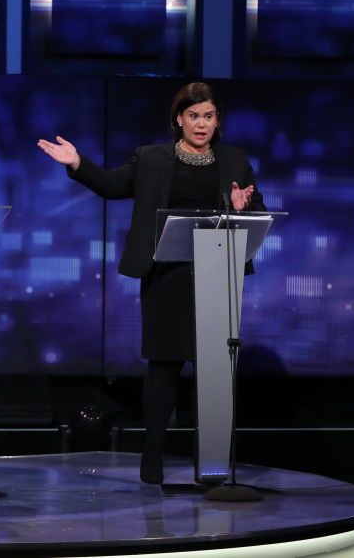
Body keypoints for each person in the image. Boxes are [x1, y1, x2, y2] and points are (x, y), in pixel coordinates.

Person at [37, 82, 264, 485]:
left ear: (218, 121)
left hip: (217, 273)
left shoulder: (234, 160)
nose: (201, 124)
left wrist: (243, 207)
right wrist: (77, 163)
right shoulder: (152, 158)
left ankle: (211, 462)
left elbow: (254, 209)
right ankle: (152, 458)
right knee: (164, 365)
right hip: (166, 273)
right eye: (193, 116)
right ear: (178, 119)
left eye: (208, 116)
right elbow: (112, 186)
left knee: (214, 369)